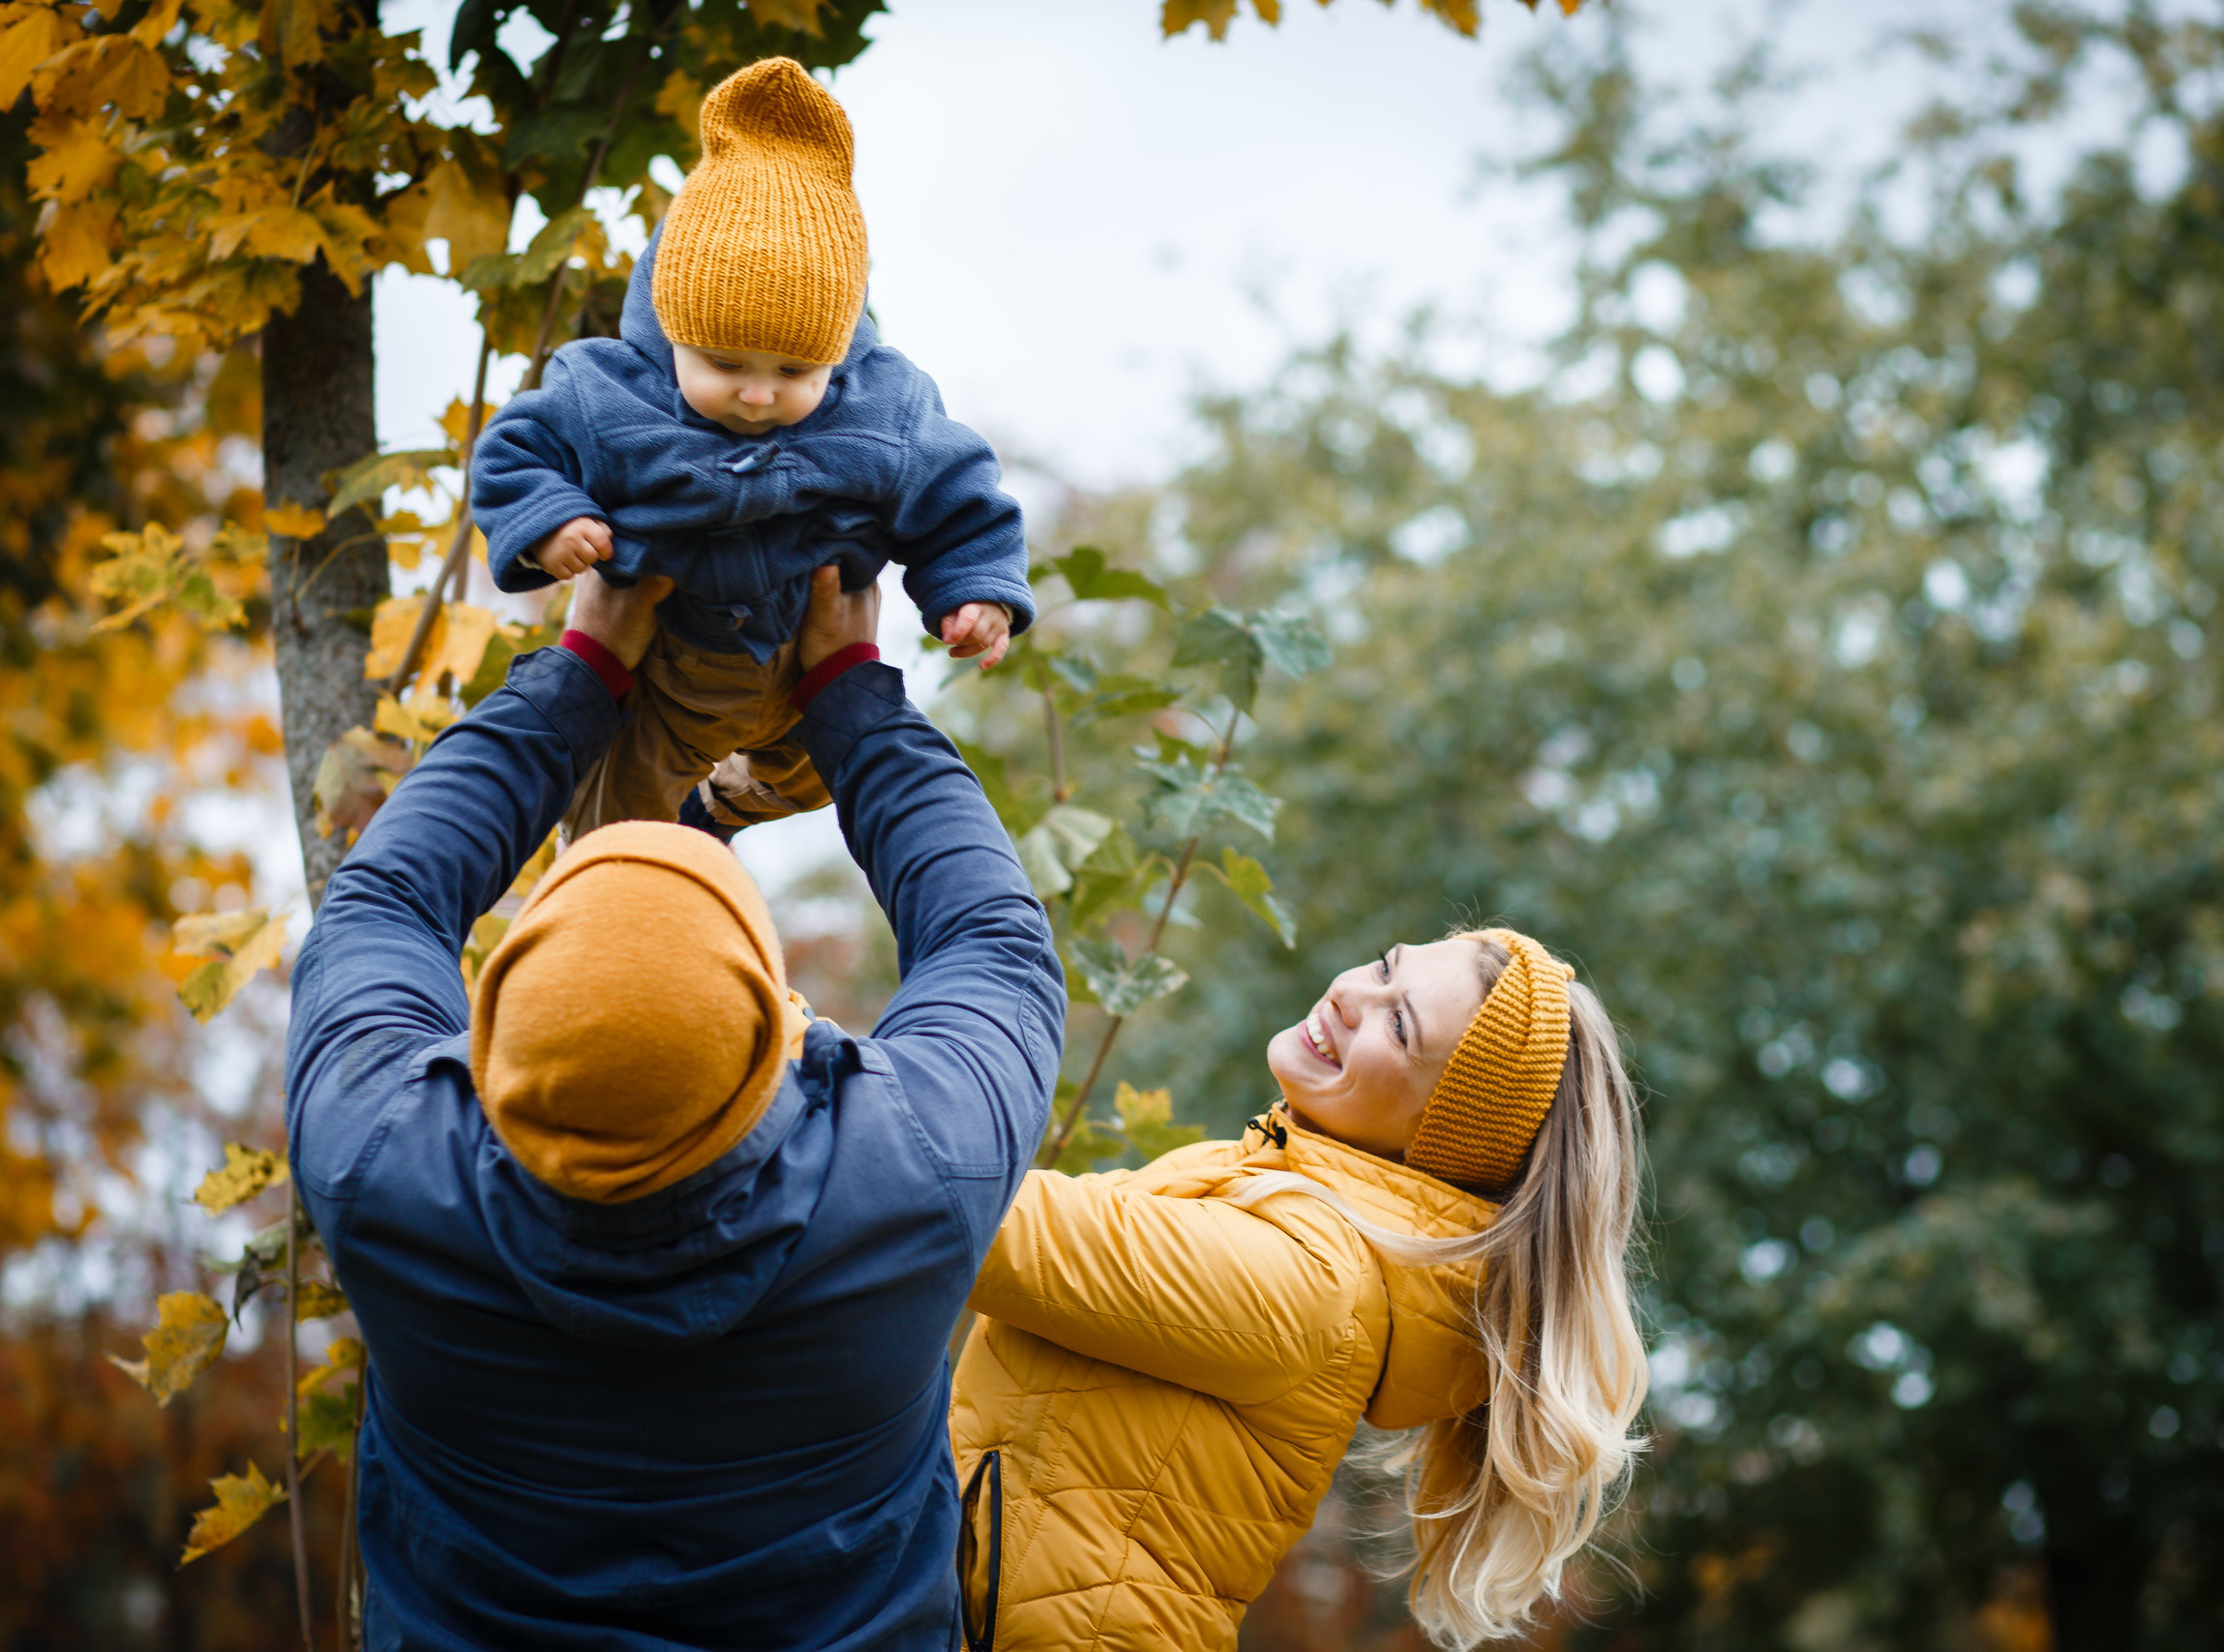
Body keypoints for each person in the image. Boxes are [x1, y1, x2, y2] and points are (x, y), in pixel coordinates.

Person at [285, 563, 1065, 1650]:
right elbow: (993, 945)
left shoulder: (386, 1168)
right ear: (774, 1035)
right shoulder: (908, 1173)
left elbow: (380, 908)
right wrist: (849, 691)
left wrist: (580, 670)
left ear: (493, 1035)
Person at [948, 929, 1651, 1652]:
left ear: (1433, 1139)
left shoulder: (1315, 1282)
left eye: (1399, 1024)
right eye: (1384, 966)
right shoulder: (1251, 1175)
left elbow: (947, 1207)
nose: (1350, 994)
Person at [471, 57, 1035, 841]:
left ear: (837, 352)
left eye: (795, 372)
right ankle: (617, 884)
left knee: (830, 767)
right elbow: (514, 451)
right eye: (725, 365)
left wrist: (976, 593)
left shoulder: (886, 407)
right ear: (672, 331)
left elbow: (959, 498)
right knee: (616, 823)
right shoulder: (609, 393)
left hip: (808, 669)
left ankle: (715, 811)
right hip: (667, 672)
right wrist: (550, 522)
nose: (760, 394)